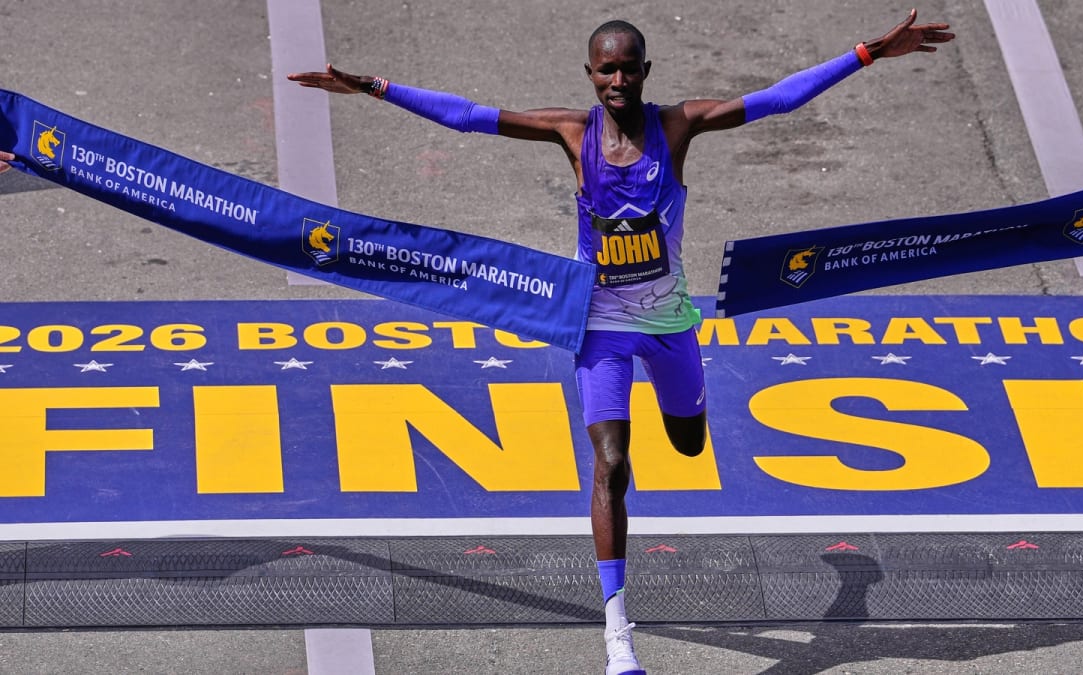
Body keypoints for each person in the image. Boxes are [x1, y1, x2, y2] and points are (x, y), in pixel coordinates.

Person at [290, 10, 953, 674]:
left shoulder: (676, 127)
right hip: (600, 325)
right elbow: (466, 116)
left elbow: (779, 99)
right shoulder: (571, 133)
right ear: (590, 73)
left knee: (690, 442)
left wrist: (867, 53)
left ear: (645, 71)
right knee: (611, 462)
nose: (616, 79)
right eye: (605, 68)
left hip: (669, 323)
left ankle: (690, 432)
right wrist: (373, 86)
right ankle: (617, 632)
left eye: (627, 67)